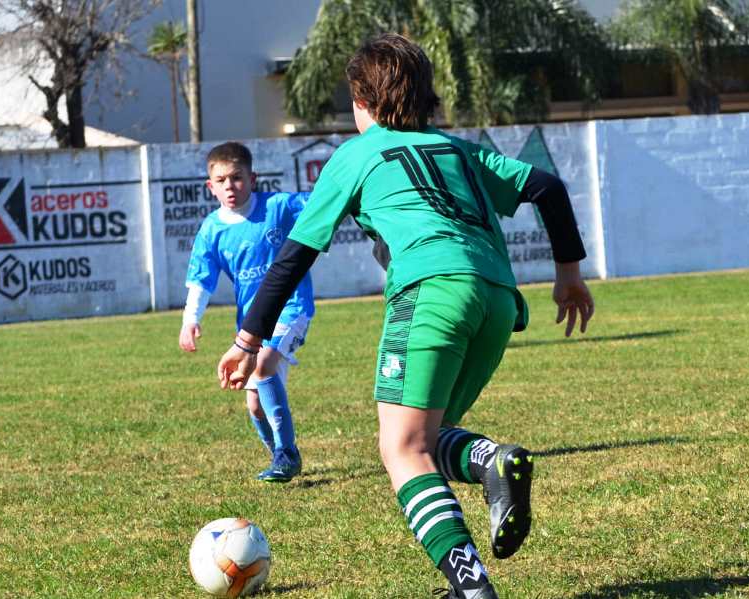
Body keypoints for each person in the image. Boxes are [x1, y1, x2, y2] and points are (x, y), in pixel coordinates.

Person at [218, 34, 594, 598]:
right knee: (427, 435)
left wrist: (247, 340)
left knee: (402, 449)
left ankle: (472, 584)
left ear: (361, 103)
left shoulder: (355, 154)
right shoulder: (454, 149)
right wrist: (568, 273)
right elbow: (547, 186)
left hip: (429, 292)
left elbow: (294, 255)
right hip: (494, 295)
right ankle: (492, 468)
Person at [180, 141, 313, 483]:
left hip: (293, 308)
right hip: (250, 326)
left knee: (266, 363)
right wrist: (190, 320)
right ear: (210, 187)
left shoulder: (279, 207)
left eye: (237, 178)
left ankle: (287, 454)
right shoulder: (212, 229)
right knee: (254, 406)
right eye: (221, 180)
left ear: (252, 178)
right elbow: (201, 278)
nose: (230, 186)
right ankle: (278, 457)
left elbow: (326, 205)